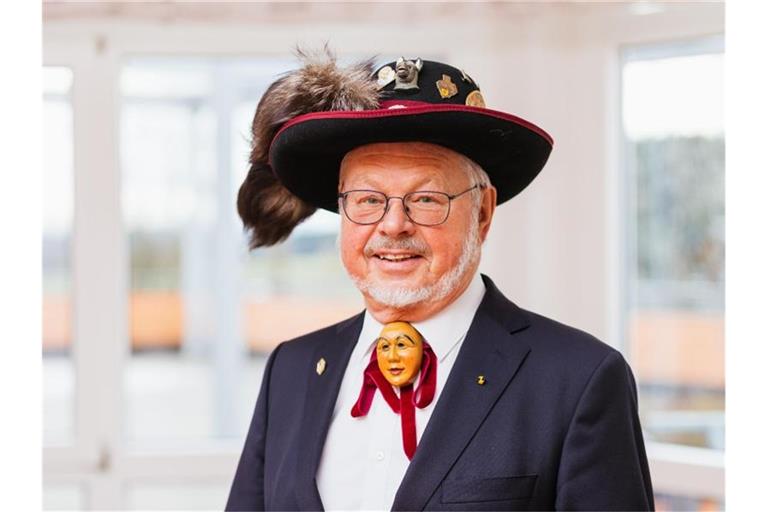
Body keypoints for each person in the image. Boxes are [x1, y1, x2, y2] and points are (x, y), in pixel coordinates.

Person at [226, 48, 654, 511]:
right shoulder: (290, 369)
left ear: (483, 214)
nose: (393, 225)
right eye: (368, 200)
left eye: (427, 199)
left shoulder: (579, 379)